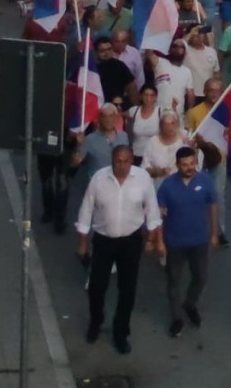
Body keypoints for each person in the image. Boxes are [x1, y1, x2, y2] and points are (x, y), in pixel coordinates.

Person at [76, 145, 162, 355]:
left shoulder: (142, 179)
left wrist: (153, 238)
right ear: (112, 160)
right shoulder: (99, 179)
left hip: (131, 241)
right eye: (118, 161)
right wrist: (83, 242)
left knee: (127, 288)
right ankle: (96, 320)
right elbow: (86, 210)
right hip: (103, 240)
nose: (121, 166)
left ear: (131, 161)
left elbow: (152, 209)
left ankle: (120, 332)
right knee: (96, 287)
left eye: (125, 161)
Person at [157, 146, 218, 336]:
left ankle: (190, 303)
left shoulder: (205, 181)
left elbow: (213, 206)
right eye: (185, 164)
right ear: (177, 165)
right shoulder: (167, 185)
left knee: (201, 277)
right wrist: (158, 241)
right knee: (173, 281)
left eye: (192, 163)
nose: (189, 167)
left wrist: (214, 233)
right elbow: (159, 215)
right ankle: (176, 318)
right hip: (174, 242)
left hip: (199, 240)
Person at [71, 103, 131, 179]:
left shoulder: (123, 136)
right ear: (99, 118)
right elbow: (74, 162)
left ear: (116, 118)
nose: (108, 120)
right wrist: (79, 145)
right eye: (104, 116)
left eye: (111, 116)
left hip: (119, 182)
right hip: (98, 183)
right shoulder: (90, 139)